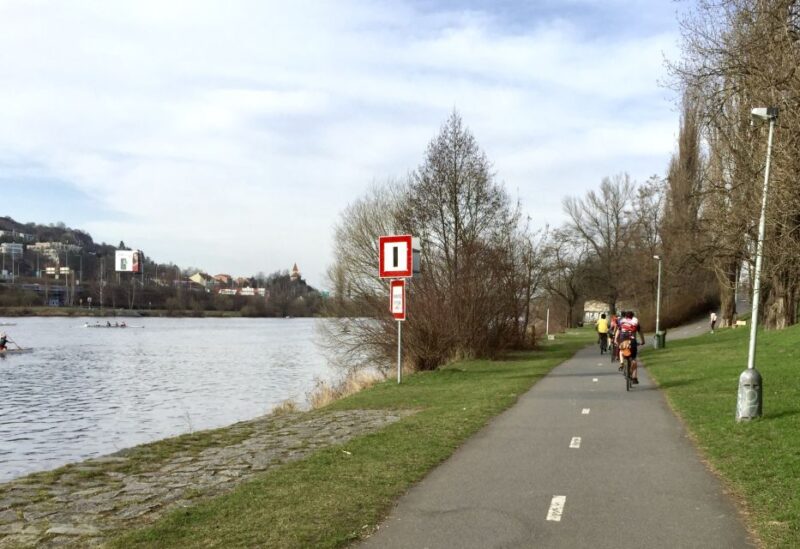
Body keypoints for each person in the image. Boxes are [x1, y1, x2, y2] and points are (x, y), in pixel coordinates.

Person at [615, 311, 645, 384]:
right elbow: (640, 333)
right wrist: (643, 341)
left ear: (625, 317)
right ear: (633, 316)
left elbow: (618, 331)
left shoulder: (622, 322)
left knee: (621, 351)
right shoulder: (635, 323)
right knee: (634, 359)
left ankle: (622, 363)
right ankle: (634, 377)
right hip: (632, 342)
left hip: (623, 341)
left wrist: (616, 340)